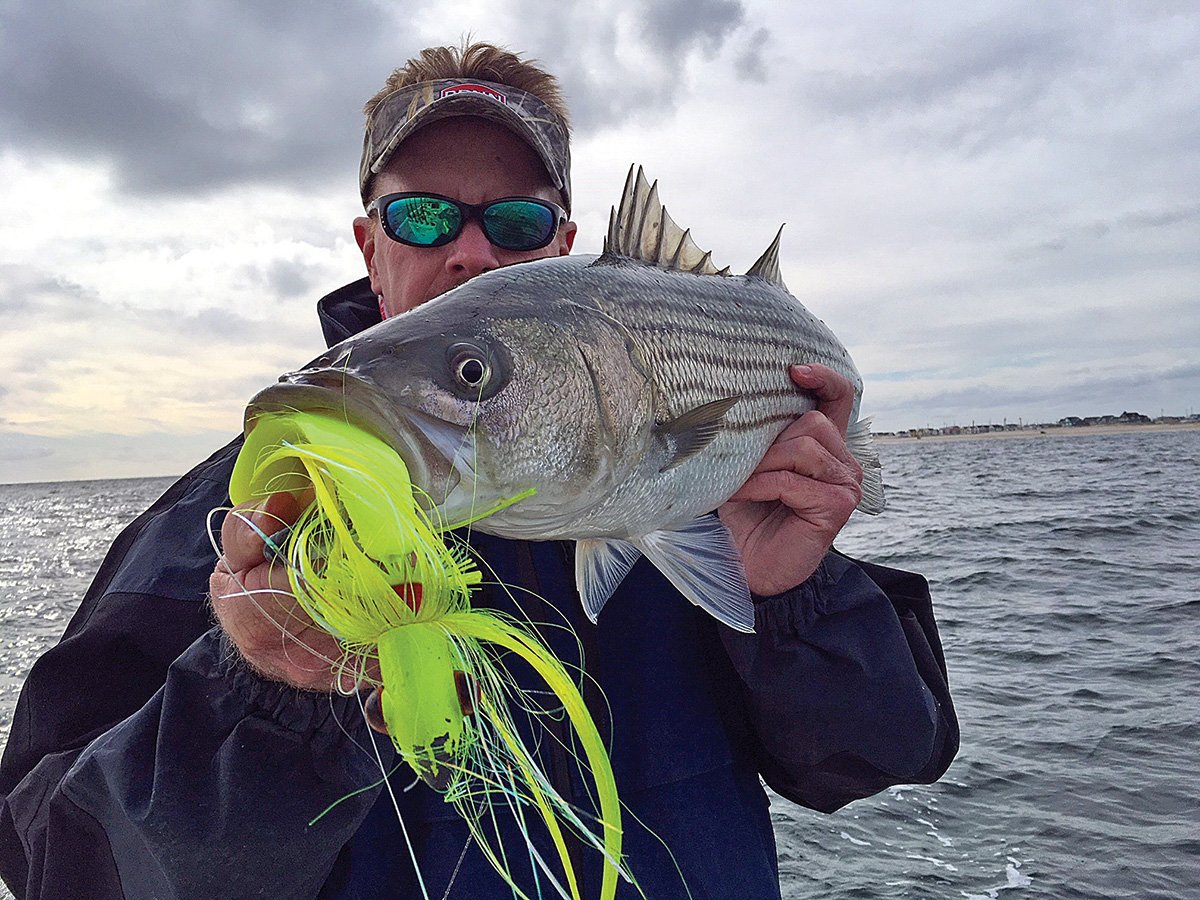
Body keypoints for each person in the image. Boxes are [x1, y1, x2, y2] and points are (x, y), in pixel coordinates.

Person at [0, 42, 958, 899]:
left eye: (515, 219)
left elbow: (879, 761)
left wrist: (791, 600)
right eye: (420, 215)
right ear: (370, 247)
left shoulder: (716, 497)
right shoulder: (236, 522)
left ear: (568, 254)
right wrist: (262, 695)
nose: (468, 251)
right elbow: (54, 862)